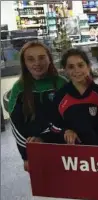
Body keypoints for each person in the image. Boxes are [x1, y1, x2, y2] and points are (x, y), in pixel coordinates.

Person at [8, 41, 67, 171]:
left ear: (49, 59)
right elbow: (16, 125)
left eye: (41, 57)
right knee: (47, 189)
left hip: (62, 147)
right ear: (24, 63)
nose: (37, 63)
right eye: (30, 59)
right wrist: (26, 156)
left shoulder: (61, 83)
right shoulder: (19, 88)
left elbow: (69, 118)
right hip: (35, 150)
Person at [47, 48, 98, 147]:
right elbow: (53, 124)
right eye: (71, 67)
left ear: (88, 66)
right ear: (65, 70)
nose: (76, 70)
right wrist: (65, 131)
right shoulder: (61, 95)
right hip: (74, 154)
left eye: (80, 65)